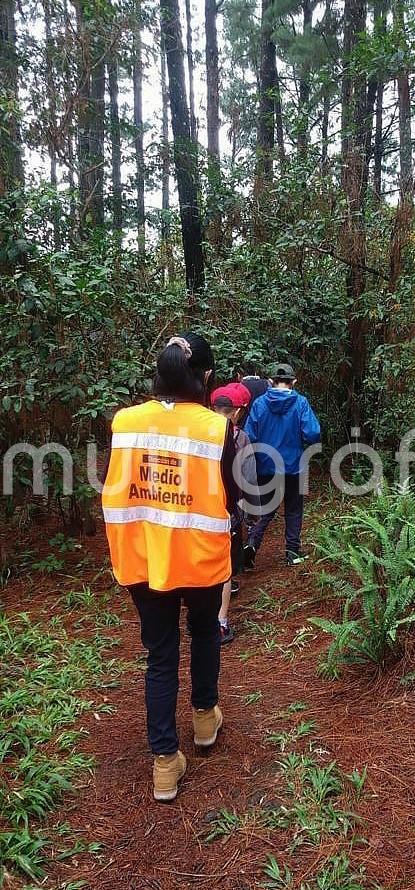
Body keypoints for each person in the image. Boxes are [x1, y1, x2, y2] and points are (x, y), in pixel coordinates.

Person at [102, 334, 237, 803]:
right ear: (206, 379)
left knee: (160, 654)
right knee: (204, 633)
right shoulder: (216, 429)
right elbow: (233, 494)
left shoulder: (126, 422)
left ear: (157, 374)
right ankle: (204, 720)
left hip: (144, 557)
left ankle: (164, 763)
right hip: (199, 558)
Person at [244, 363, 321, 567]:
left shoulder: (259, 404)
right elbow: (313, 434)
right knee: (294, 509)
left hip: (266, 466)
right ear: (293, 382)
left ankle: (251, 544)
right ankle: (292, 553)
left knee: (266, 509)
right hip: (294, 466)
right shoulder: (301, 403)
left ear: (271, 382)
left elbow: (249, 436)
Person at [210, 381, 257, 644]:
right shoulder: (240, 438)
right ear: (238, 411)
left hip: (196, 508)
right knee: (224, 567)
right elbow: (248, 478)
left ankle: (199, 619)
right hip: (227, 510)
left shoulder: (195, 433)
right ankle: (220, 624)